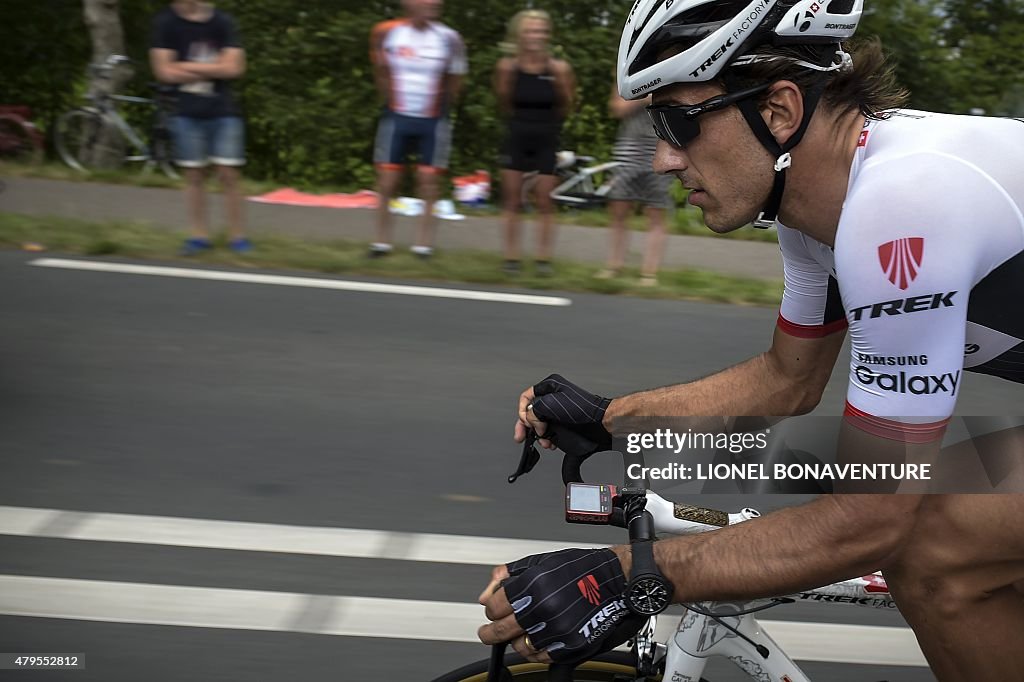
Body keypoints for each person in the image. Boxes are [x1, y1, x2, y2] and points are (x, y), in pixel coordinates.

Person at [476, 0, 1024, 679]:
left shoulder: (900, 207)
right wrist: (610, 417)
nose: (667, 159)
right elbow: (786, 381)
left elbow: (869, 519)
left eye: (679, 123)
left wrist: (628, 575)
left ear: (780, 111)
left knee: (935, 543)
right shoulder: (816, 207)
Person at [368, 0, 467, 260]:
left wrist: (443, 110)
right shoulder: (387, 32)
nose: (434, 3)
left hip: (433, 119)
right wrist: (389, 102)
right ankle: (381, 243)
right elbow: (381, 70)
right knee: (387, 181)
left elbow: (456, 78)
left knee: (428, 182)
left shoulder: (449, 37)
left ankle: (423, 246)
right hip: (397, 116)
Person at [150, 0, 249, 256]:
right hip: (185, 112)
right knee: (194, 176)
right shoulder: (166, 23)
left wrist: (183, 66)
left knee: (229, 174)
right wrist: (214, 69)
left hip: (223, 111)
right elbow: (162, 71)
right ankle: (198, 236)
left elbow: (235, 67)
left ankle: (237, 237)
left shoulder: (222, 22)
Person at [494, 10, 575, 276]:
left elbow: (567, 103)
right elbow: (504, 102)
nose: (536, 36)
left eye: (541, 31)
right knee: (512, 199)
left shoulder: (558, 69)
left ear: (548, 35)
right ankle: (511, 258)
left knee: (544, 200)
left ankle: (543, 260)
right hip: (517, 135)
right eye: (530, 31)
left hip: (547, 136)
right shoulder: (508, 66)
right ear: (520, 35)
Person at [596, 83, 673, 286]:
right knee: (619, 211)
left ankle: (649, 273)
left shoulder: (671, 79)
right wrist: (645, 96)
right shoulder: (629, 81)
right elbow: (617, 109)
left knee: (656, 213)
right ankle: (614, 265)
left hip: (659, 151)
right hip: (629, 152)